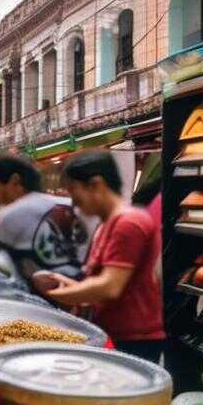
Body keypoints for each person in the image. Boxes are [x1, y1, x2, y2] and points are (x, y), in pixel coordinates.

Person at [44, 151, 165, 363]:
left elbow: (110, 286)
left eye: (74, 192)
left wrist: (59, 295)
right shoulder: (107, 223)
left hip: (134, 340)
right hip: (114, 333)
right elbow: (104, 283)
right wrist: (70, 286)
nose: (74, 203)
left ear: (95, 185)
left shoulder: (129, 222)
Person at [0, 154, 94, 282]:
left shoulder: (13, 212)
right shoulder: (72, 205)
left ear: (14, 181)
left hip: (47, 303)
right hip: (82, 301)